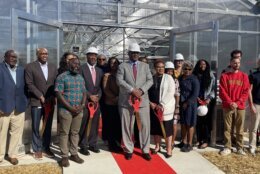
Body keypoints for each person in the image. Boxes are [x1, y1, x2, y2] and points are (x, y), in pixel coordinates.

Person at [116, 43, 153, 161]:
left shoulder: (145, 66)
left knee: (145, 126)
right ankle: (128, 149)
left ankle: (145, 149)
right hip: (126, 102)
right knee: (127, 126)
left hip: (142, 102)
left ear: (139, 54)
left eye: (136, 53)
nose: (135, 55)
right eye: (132, 53)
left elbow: (150, 80)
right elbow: (119, 81)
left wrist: (141, 91)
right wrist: (132, 90)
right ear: (128, 54)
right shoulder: (122, 66)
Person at [25, 48, 57, 160]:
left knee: (47, 126)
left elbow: (55, 84)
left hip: (50, 102)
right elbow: (29, 83)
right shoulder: (30, 66)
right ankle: (37, 149)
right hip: (36, 101)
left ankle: (46, 148)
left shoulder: (53, 67)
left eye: (46, 53)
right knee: (35, 126)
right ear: (37, 54)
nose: (45, 55)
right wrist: (40, 96)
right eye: (42, 53)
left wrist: (54, 96)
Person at [55, 57, 86, 167]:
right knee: (64, 133)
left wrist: (82, 105)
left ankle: (74, 154)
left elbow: (84, 93)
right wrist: (70, 107)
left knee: (75, 133)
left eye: (78, 64)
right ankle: (64, 156)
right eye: (74, 64)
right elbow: (59, 94)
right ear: (69, 64)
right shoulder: (62, 77)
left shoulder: (80, 78)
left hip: (78, 111)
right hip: (66, 111)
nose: (77, 66)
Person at [219, 50, 250, 156]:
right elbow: (222, 91)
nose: (237, 64)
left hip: (240, 106)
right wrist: (230, 102)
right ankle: (227, 147)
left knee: (240, 128)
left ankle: (239, 147)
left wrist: (238, 102)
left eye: (238, 63)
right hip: (228, 106)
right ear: (231, 63)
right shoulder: (224, 76)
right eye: (235, 63)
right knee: (227, 128)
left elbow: (246, 91)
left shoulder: (244, 76)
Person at [0, 50, 27, 165]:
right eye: (10, 56)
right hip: (3, 108)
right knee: (1, 133)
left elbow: (26, 87)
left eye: (15, 57)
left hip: (19, 108)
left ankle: (12, 155)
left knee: (16, 133)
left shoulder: (21, 70)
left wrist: (25, 102)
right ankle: (0, 156)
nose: (13, 59)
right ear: (5, 57)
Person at [79, 47, 103, 155]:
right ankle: (83, 145)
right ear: (87, 56)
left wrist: (98, 96)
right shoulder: (81, 68)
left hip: (96, 102)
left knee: (95, 123)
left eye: (94, 55)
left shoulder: (99, 70)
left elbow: (101, 86)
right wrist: (89, 96)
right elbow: (80, 85)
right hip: (85, 101)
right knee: (84, 123)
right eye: (91, 55)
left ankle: (93, 144)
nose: (93, 57)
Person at [149, 60, 175, 158]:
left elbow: (170, 92)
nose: (160, 69)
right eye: (158, 67)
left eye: (162, 67)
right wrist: (150, 103)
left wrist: (161, 104)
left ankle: (168, 149)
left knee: (167, 129)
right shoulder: (152, 78)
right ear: (155, 68)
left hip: (166, 108)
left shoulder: (169, 78)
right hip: (154, 108)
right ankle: (157, 146)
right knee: (156, 129)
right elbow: (148, 92)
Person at [193, 59, 215, 149]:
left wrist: (208, 99)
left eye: (204, 64)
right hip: (196, 101)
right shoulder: (194, 75)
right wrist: (196, 97)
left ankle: (205, 140)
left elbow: (213, 90)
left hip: (206, 101)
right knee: (198, 122)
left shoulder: (211, 76)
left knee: (206, 122)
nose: (203, 66)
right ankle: (199, 139)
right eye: (201, 64)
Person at [179, 61, 200, 152]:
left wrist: (187, 103)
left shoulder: (194, 79)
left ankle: (189, 143)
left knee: (190, 123)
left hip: (190, 104)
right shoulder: (180, 78)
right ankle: (183, 141)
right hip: (181, 103)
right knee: (183, 123)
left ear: (192, 70)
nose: (187, 71)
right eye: (185, 69)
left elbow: (195, 94)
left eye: (189, 69)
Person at [102, 57, 122, 152]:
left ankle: (118, 142)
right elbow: (106, 89)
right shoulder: (107, 75)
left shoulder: (121, 75)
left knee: (118, 124)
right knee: (111, 124)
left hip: (121, 103)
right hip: (110, 103)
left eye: (115, 63)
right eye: (111, 63)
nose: (113, 65)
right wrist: (115, 98)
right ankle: (112, 144)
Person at [164, 61, 180, 148]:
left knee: (174, 123)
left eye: (171, 71)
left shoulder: (175, 81)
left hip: (173, 105)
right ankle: (167, 142)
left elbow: (177, 94)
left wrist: (177, 106)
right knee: (165, 124)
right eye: (168, 70)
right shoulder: (162, 79)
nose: (169, 72)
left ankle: (172, 142)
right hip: (164, 105)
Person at [248, 58, 260, 155]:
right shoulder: (253, 75)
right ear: (258, 62)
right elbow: (249, 91)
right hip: (256, 104)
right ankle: (252, 146)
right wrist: (251, 105)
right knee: (254, 128)